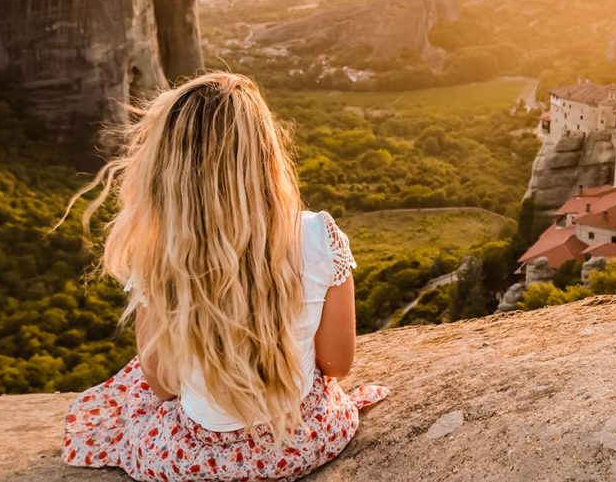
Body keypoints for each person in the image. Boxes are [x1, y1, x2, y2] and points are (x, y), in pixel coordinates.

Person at [57, 71, 388, 481]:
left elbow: (163, 385)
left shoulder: (160, 256)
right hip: (307, 439)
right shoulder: (319, 235)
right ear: (266, 155)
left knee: (129, 392)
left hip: (194, 462)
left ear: (168, 169)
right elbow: (337, 363)